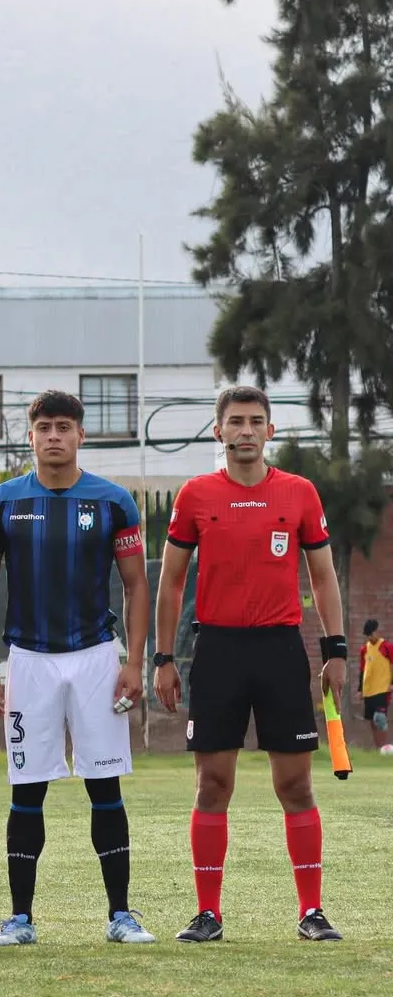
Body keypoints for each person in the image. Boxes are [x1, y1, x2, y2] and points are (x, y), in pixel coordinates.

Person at [154, 385, 346, 943]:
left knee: (296, 786)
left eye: (255, 421)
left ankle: (311, 911)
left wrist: (335, 650)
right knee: (213, 785)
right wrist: (164, 658)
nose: (244, 430)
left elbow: (324, 576)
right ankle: (207, 913)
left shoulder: (299, 494)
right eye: (234, 421)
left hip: (281, 649)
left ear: (270, 431)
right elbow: (170, 582)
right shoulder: (194, 495)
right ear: (218, 431)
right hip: (217, 651)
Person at [0, 389, 154, 946]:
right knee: (27, 789)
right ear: (30, 437)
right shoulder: (1, 502)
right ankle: (20, 919)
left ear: (80, 435)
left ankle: (121, 915)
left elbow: (136, 583)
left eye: (64, 427)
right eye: (43, 427)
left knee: (105, 785)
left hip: (97, 657)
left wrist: (134, 661)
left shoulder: (114, 501)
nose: (53, 436)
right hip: (28, 661)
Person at [358, 619, 393, 749]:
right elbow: (362, 670)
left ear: (377, 632)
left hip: (382, 689)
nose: (370, 637)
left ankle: (387, 747)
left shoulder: (386, 647)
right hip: (368, 691)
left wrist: (392, 683)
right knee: (372, 722)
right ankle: (379, 749)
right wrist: (360, 690)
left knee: (380, 718)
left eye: (371, 634)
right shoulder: (364, 649)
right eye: (367, 635)